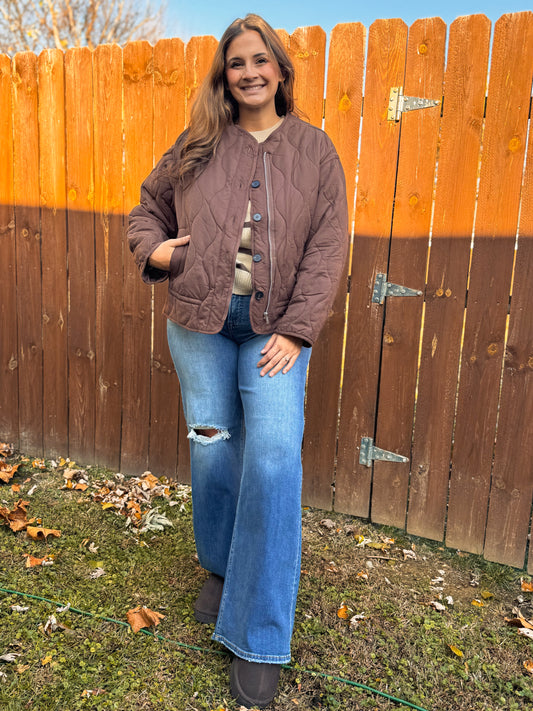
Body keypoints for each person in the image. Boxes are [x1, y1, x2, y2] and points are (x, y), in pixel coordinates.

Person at [128, 13, 348, 708]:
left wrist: (299, 330)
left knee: (274, 457)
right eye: (236, 62)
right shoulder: (198, 143)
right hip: (198, 322)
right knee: (212, 446)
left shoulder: (314, 150)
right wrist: (156, 251)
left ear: (280, 69)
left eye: (259, 60)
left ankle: (257, 634)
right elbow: (146, 209)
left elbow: (327, 248)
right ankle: (221, 567)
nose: (249, 72)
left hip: (272, 331)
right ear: (224, 76)